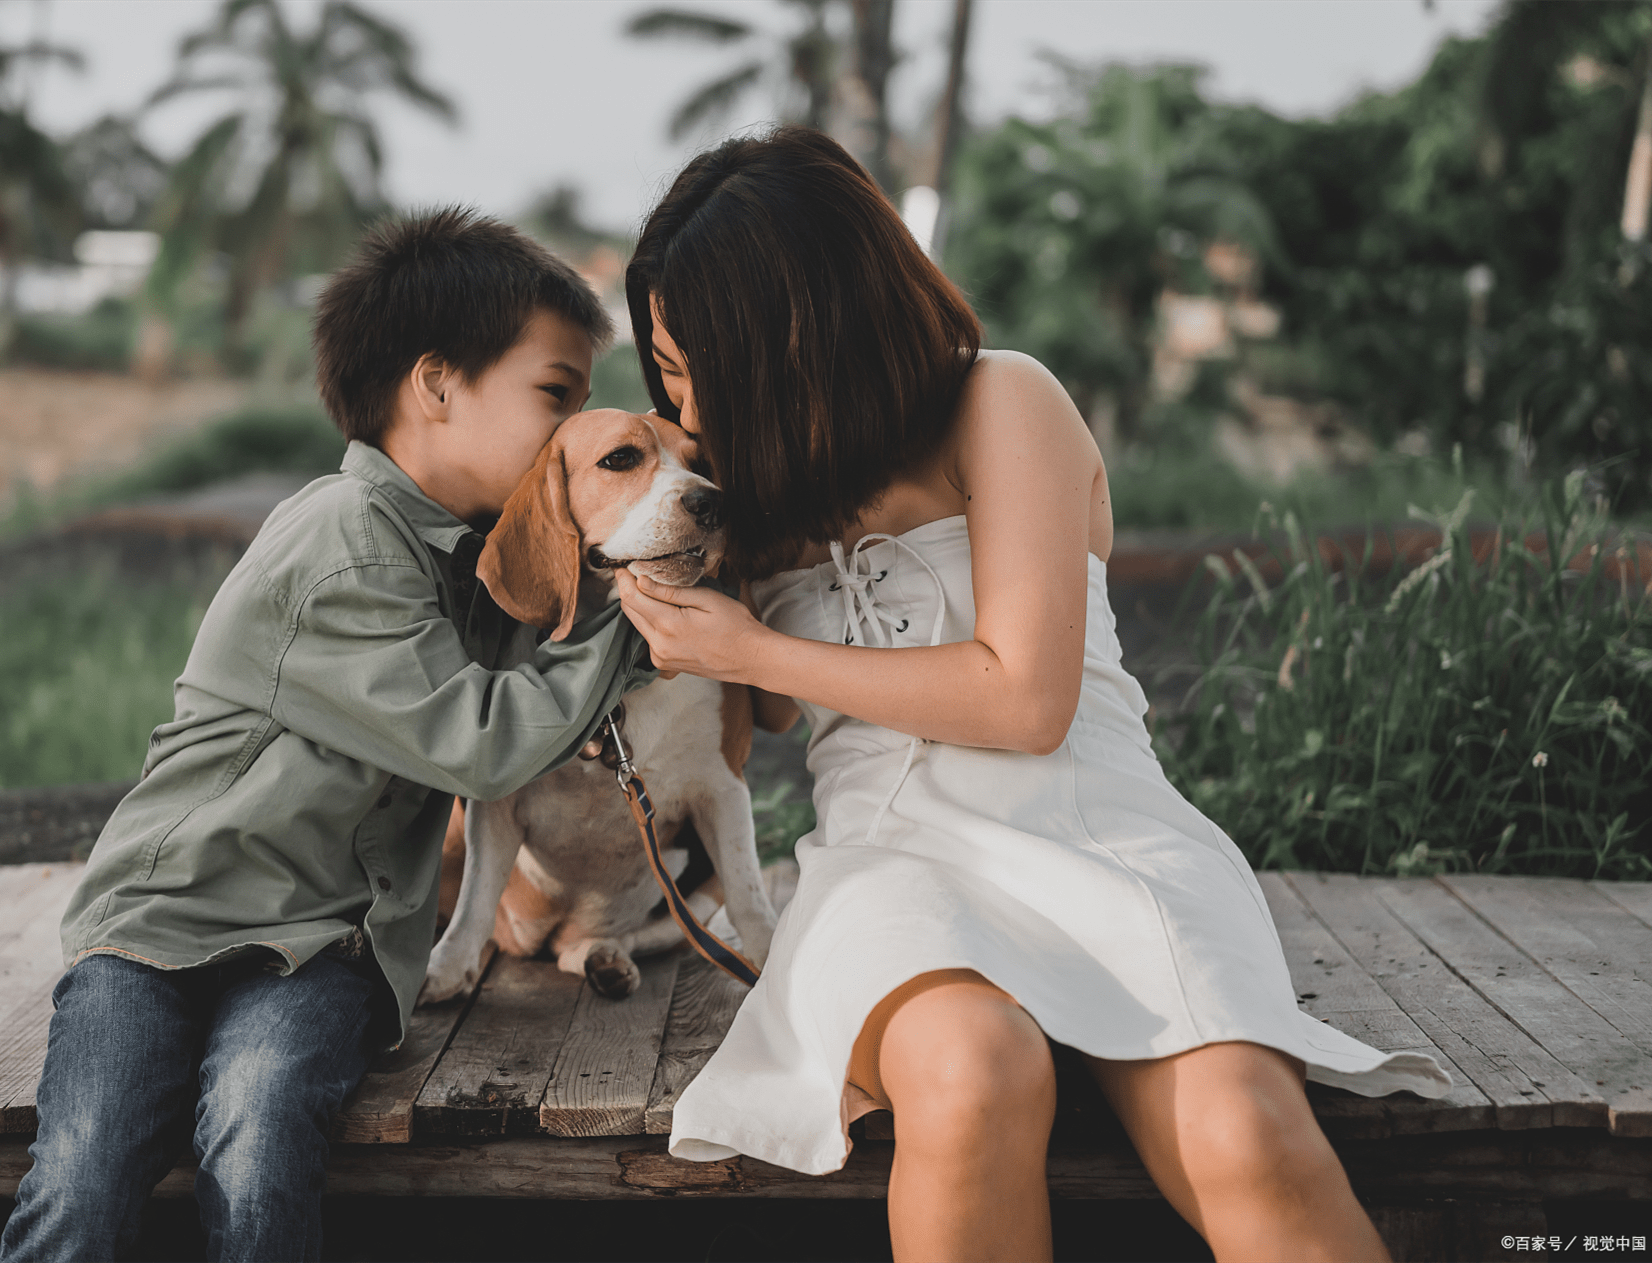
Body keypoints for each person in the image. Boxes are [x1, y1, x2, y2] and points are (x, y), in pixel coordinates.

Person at [611, 127, 1452, 1263]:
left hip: (1105, 834)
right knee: (970, 1070)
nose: (687, 401)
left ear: (801, 333)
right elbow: (747, 721)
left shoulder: (1002, 401)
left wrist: (748, 649)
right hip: (894, 864)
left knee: (1245, 1133)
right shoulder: (743, 491)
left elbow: (1025, 700)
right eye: (666, 368)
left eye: (700, 362)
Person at [0, 208, 650, 1263]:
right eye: (556, 394)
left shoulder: (489, 555)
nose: (576, 427)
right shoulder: (341, 546)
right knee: (85, 1166)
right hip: (162, 926)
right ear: (436, 386)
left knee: (257, 1126)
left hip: (328, 950)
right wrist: (623, 618)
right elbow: (483, 740)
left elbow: (570, 636)